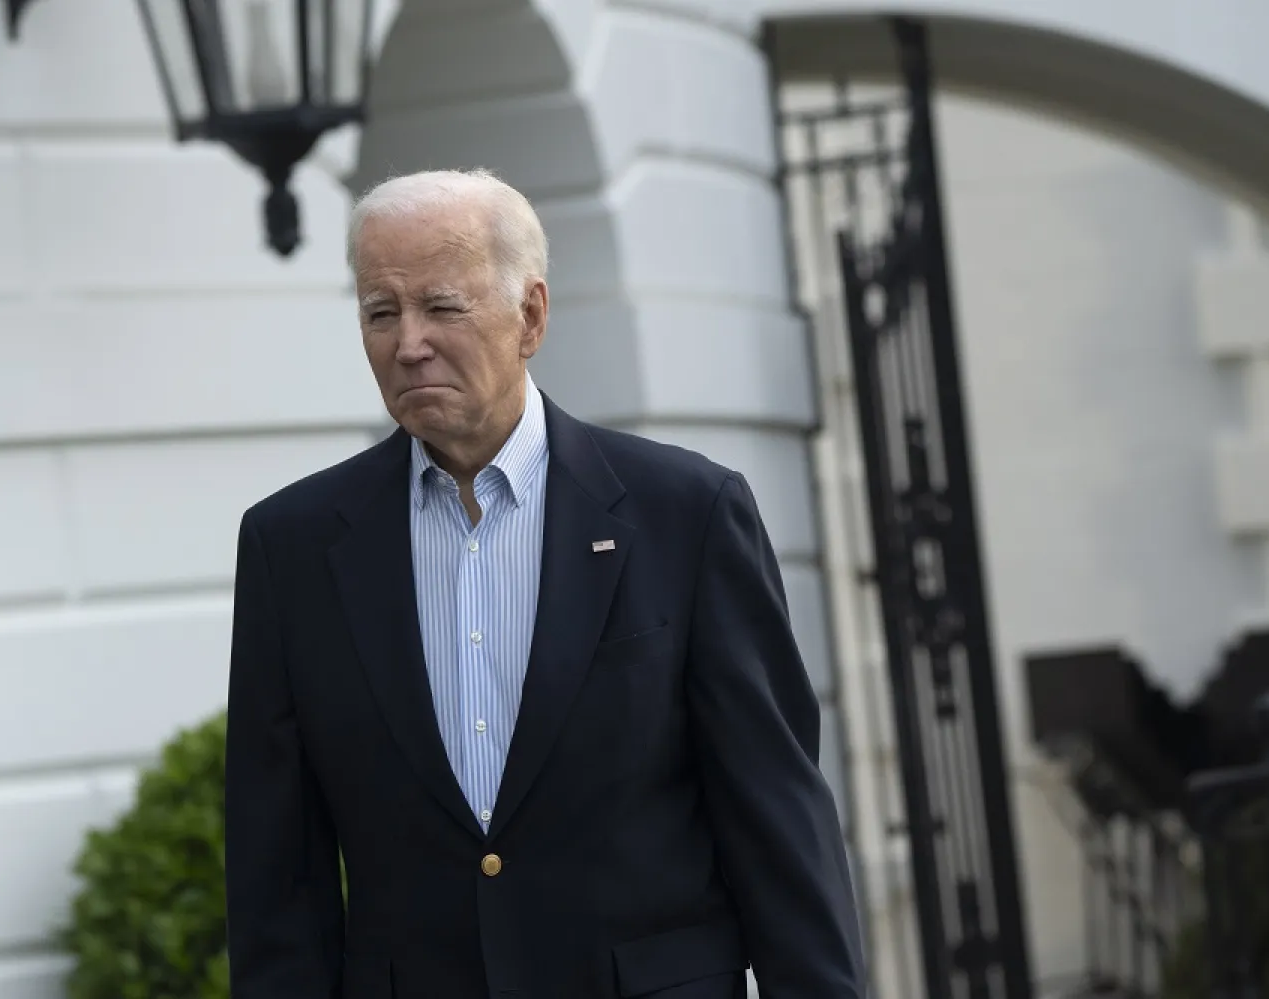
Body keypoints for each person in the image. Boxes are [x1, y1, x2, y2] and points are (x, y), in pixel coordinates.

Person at [223, 168, 865, 999]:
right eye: (381, 312)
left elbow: (778, 823)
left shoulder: (686, 514)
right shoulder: (292, 548)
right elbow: (278, 879)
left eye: (441, 306)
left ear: (530, 315)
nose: (407, 341)